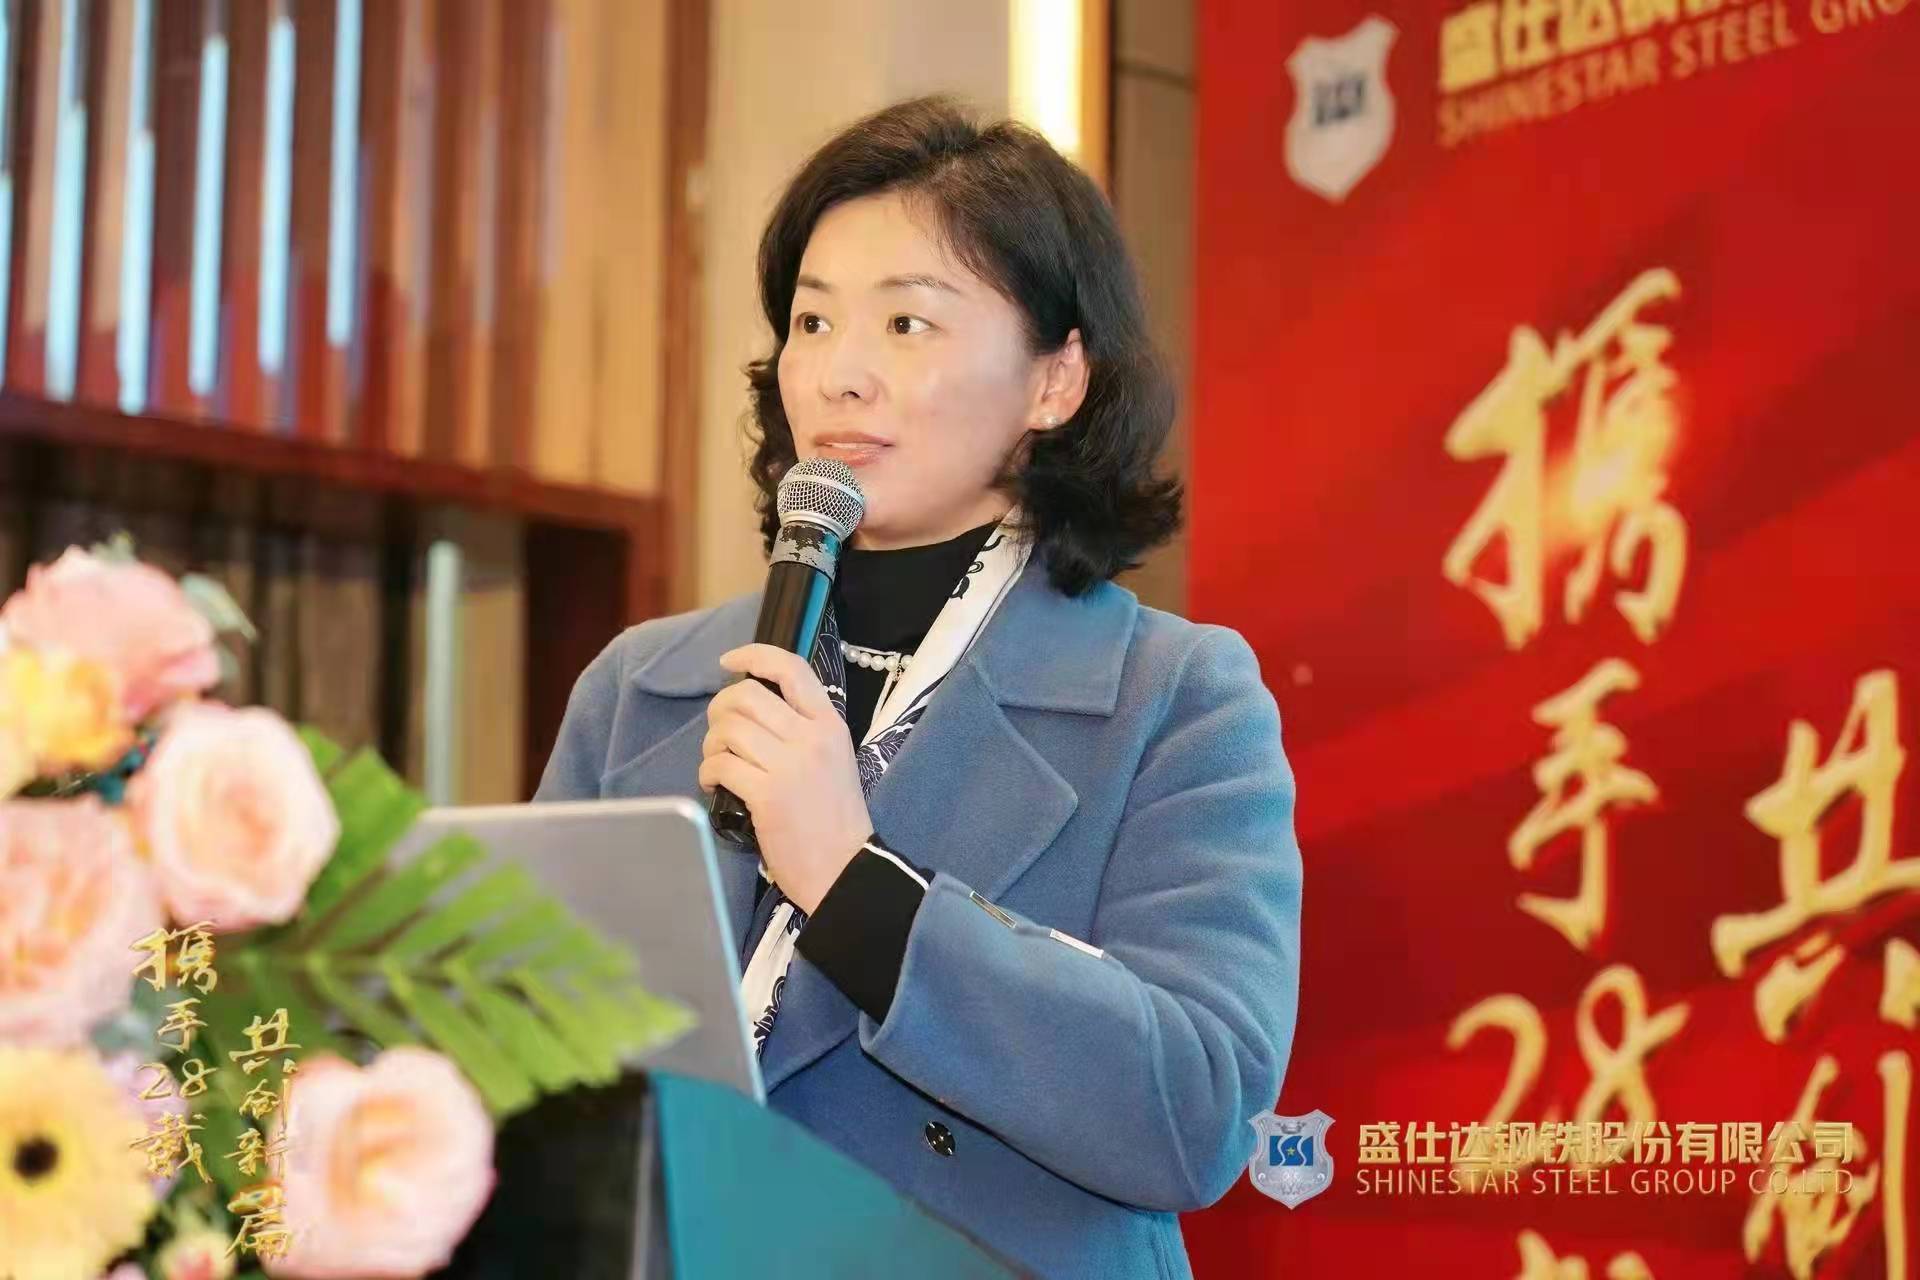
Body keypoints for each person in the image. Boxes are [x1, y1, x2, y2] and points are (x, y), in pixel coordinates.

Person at [536, 95, 1301, 1280]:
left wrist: (854, 883)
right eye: (812, 320)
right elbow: (523, 1040)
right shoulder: (642, 685)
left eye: (906, 322)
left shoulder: (1175, 700)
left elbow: (1197, 1109)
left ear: (1055, 381)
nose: (840, 374)